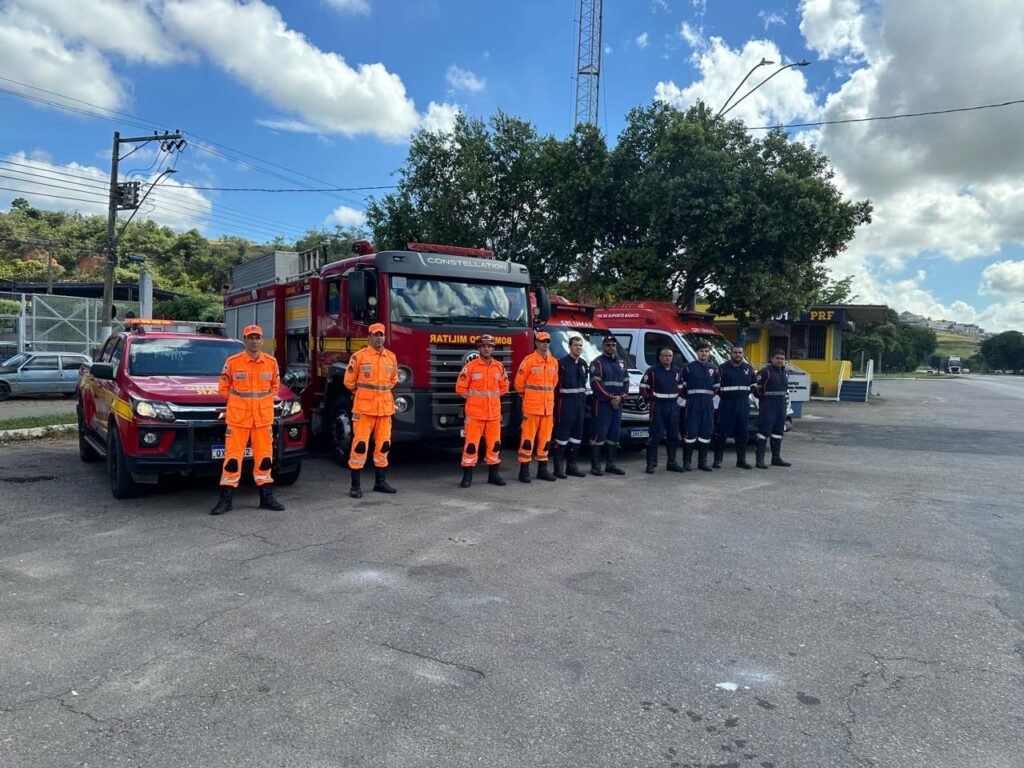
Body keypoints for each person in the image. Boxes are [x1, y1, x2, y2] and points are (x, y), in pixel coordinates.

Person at [209, 324, 285, 515]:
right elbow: (223, 388)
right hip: (238, 420)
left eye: (257, 338)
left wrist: (260, 404)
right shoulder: (233, 362)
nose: (254, 341)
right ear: (244, 340)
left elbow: (275, 387)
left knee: (265, 460)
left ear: (262, 340)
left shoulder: (271, 362)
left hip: (262, 420)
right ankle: (225, 500)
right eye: (250, 338)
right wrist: (238, 404)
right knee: (232, 460)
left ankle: (266, 498)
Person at [344, 322, 399, 498]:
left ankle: (380, 482)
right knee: (360, 446)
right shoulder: (359, 357)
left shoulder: (391, 357)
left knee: (384, 445)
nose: (379, 338)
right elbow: (349, 382)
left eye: (381, 335)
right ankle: (355, 486)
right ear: (369, 337)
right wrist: (362, 395)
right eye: (376, 335)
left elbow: (393, 380)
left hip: (384, 410)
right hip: (364, 410)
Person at [456, 334, 509, 488]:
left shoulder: (499, 367)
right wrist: (474, 401)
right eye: (484, 346)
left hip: (493, 414)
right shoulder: (470, 367)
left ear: (493, 348)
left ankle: (494, 475)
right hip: (475, 414)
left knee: (495, 445)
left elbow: (504, 387)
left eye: (489, 346)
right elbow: (460, 388)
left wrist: (491, 400)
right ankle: (467, 476)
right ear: (479, 348)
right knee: (471, 446)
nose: (487, 349)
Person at [514, 330, 559, 483]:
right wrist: (529, 398)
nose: (545, 344)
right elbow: (518, 385)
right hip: (532, 409)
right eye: (542, 341)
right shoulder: (529, 361)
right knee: (527, 441)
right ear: (536, 343)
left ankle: (542, 471)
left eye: (547, 341)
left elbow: (554, 383)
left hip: (547, 409)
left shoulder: (553, 362)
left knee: (545, 441)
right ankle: (524, 471)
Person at [640, 347, 685, 474]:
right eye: (665, 355)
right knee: (655, 435)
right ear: (660, 357)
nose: (667, 358)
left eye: (670, 356)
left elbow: (681, 388)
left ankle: (672, 462)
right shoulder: (652, 371)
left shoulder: (677, 371)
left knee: (674, 435)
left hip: (673, 407)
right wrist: (651, 398)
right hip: (658, 406)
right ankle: (651, 464)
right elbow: (643, 388)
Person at [589, 335, 629, 475]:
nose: (611, 347)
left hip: (617, 405)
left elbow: (626, 382)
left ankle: (611, 465)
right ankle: (595, 466)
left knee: (614, 434)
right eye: (608, 345)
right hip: (602, 404)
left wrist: (621, 397)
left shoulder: (621, 362)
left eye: (613, 345)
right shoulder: (597, 363)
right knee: (599, 434)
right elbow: (596, 384)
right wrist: (611, 397)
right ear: (603, 346)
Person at [714, 345, 757, 469]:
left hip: (743, 404)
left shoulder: (748, 368)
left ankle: (741, 461)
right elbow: (717, 387)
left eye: (740, 353)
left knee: (742, 433)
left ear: (743, 354)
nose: (737, 355)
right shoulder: (722, 368)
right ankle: (718, 460)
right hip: (727, 404)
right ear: (731, 354)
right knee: (722, 432)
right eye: (735, 352)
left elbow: (753, 386)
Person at [552, 335, 589, 479]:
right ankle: (558, 468)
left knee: (576, 437)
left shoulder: (583, 364)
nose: (578, 348)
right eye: (575, 345)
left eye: (580, 345)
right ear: (569, 347)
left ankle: (572, 467)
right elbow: (555, 386)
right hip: (565, 405)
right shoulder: (561, 363)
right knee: (562, 437)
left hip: (580, 405)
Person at [680, 342, 720, 472]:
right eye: (701, 351)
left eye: (706, 351)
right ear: (697, 352)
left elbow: (716, 387)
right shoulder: (688, 368)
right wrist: (689, 398)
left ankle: (702, 462)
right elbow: (681, 387)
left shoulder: (714, 368)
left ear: (709, 353)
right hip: (693, 402)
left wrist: (707, 397)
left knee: (706, 432)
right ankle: (687, 462)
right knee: (690, 432)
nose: (704, 353)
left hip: (708, 403)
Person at [755, 349, 792, 469]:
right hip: (768, 405)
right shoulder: (765, 372)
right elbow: (756, 389)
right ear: (771, 359)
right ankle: (759, 460)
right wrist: (764, 400)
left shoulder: (785, 373)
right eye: (777, 358)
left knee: (778, 432)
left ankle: (776, 458)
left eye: (782, 358)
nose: (780, 360)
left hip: (781, 405)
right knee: (764, 431)